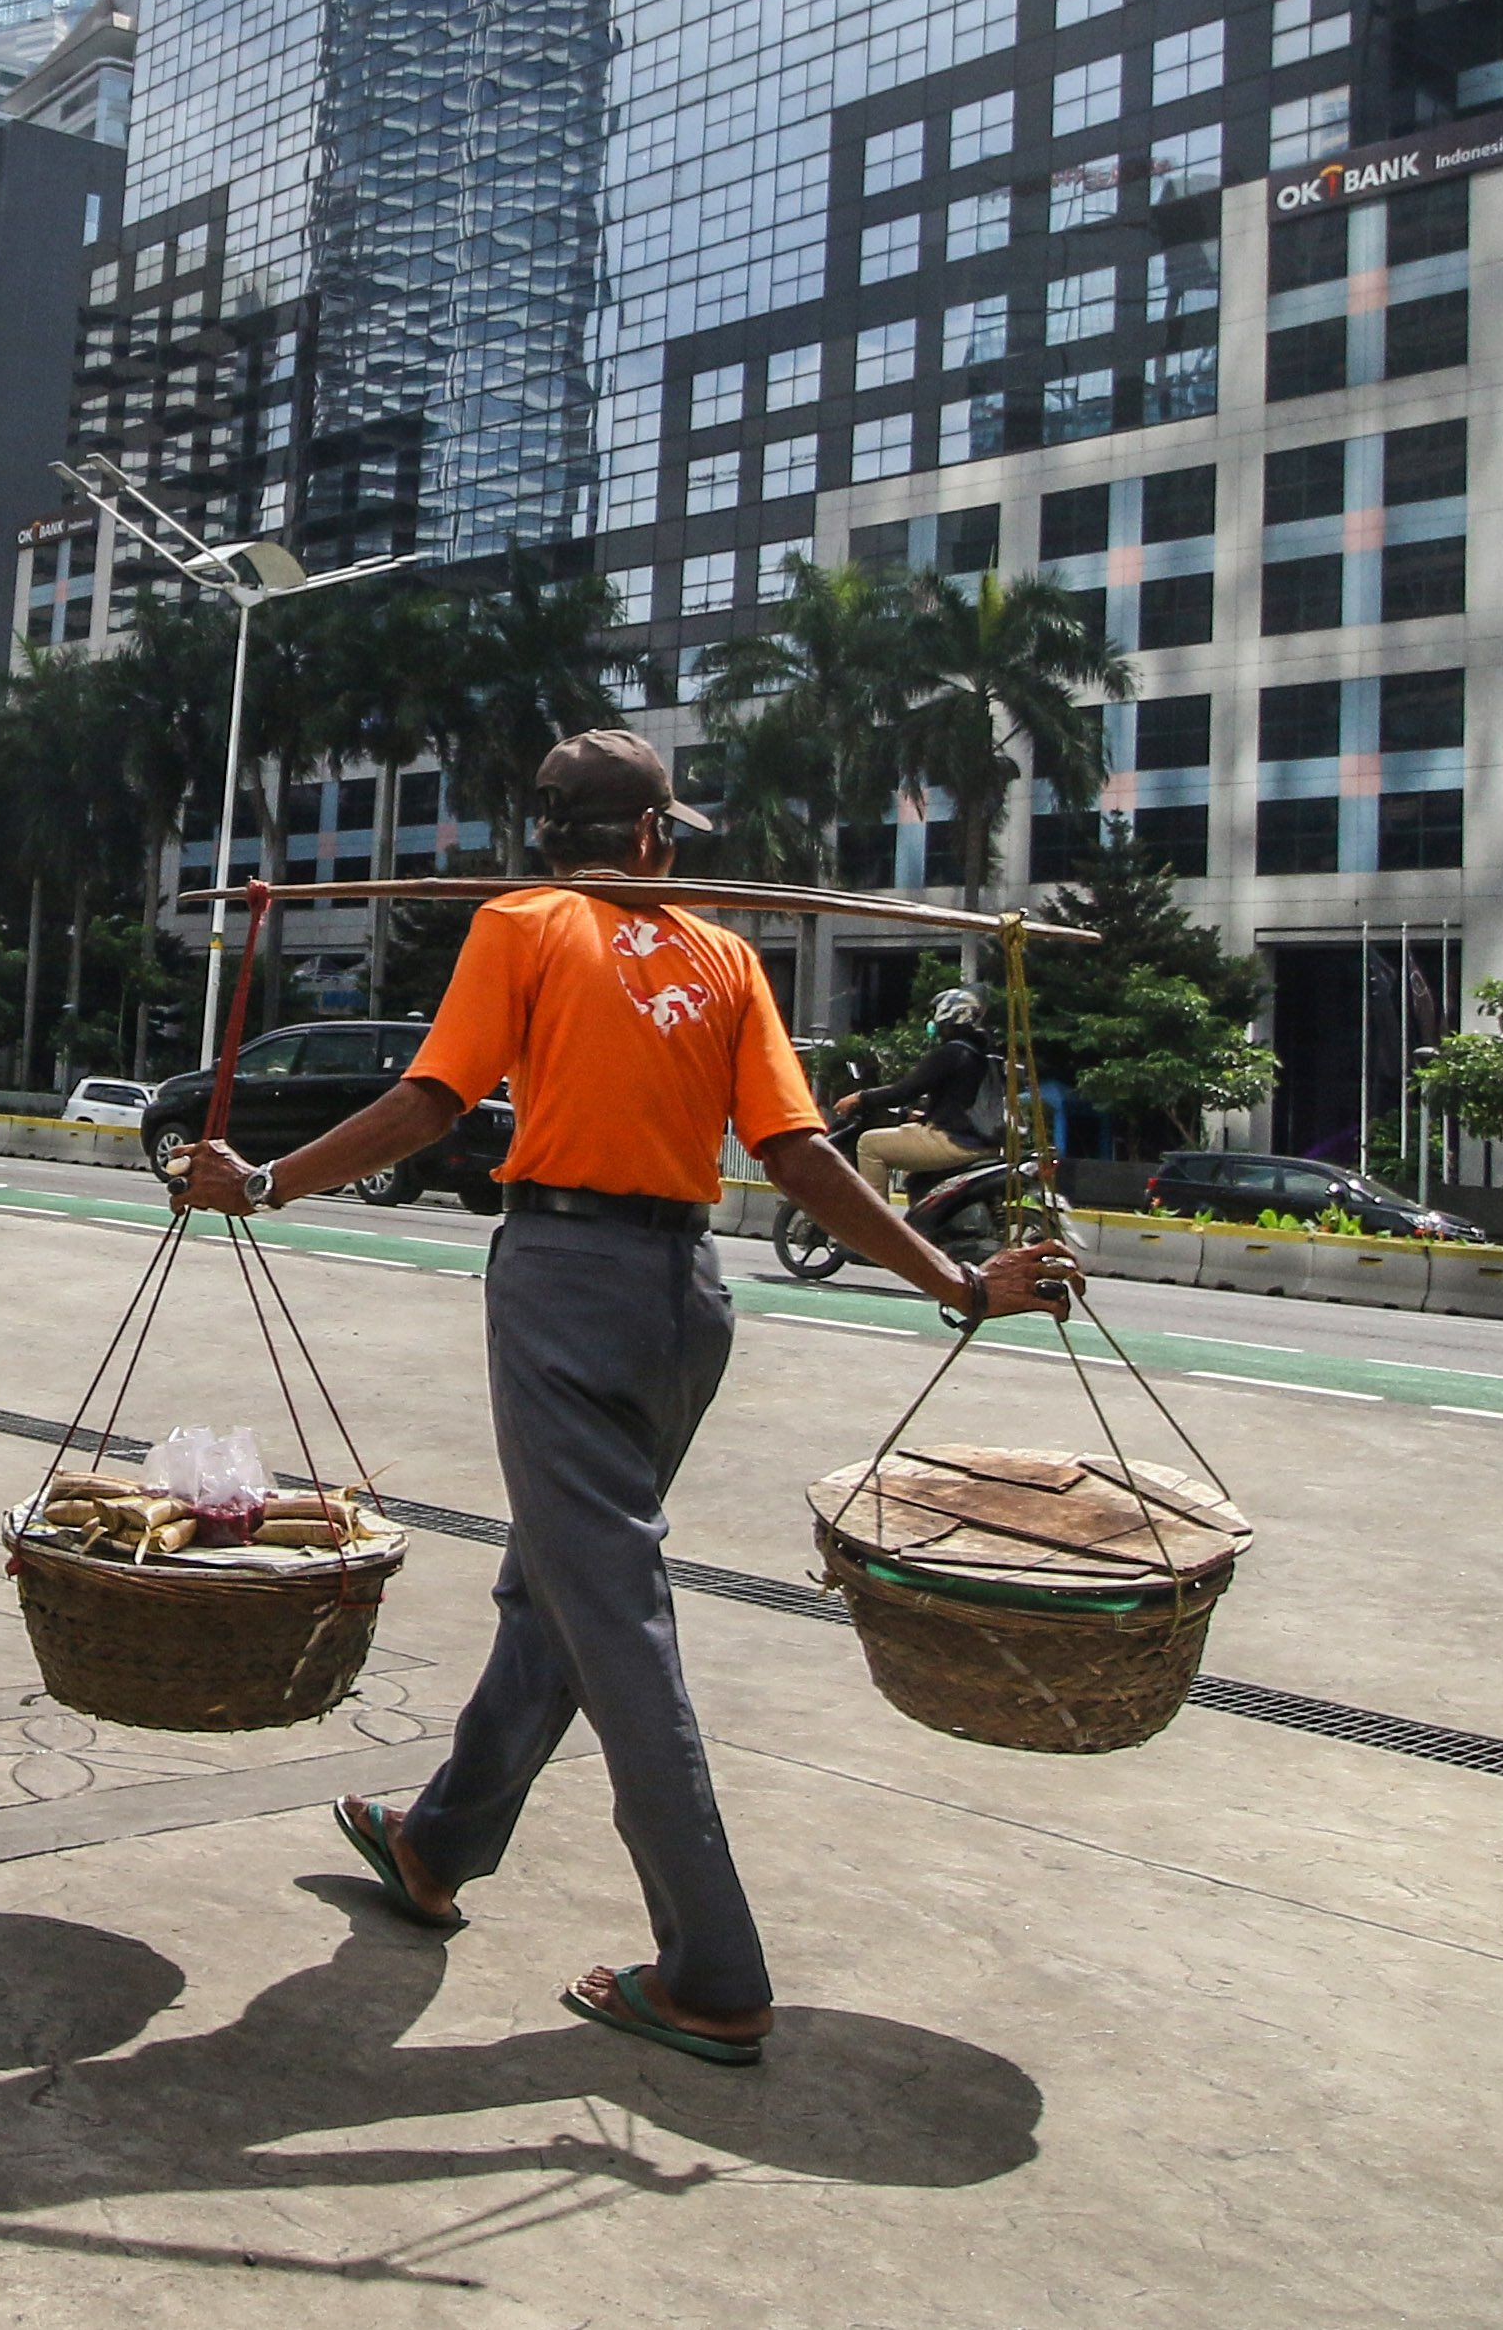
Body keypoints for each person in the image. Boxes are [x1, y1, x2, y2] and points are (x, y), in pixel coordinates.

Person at [173, 727, 1079, 2069]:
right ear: (653, 836)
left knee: (611, 1613)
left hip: (562, 1281)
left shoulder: (521, 925)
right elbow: (800, 1155)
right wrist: (950, 1279)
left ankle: (712, 1966)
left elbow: (432, 1105)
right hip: (682, 1301)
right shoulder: (721, 955)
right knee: (561, 1586)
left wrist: (257, 1184)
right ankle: (436, 1846)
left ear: (554, 837)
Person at [841, 984, 1003, 1194]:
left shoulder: (950, 1053)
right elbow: (961, 1101)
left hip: (956, 1141)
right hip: (981, 1141)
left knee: (869, 1145)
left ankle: (875, 1223)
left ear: (947, 1017)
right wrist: (925, 1115)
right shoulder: (982, 1055)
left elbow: (904, 1091)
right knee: (916, 1179)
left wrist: (860, 1097)